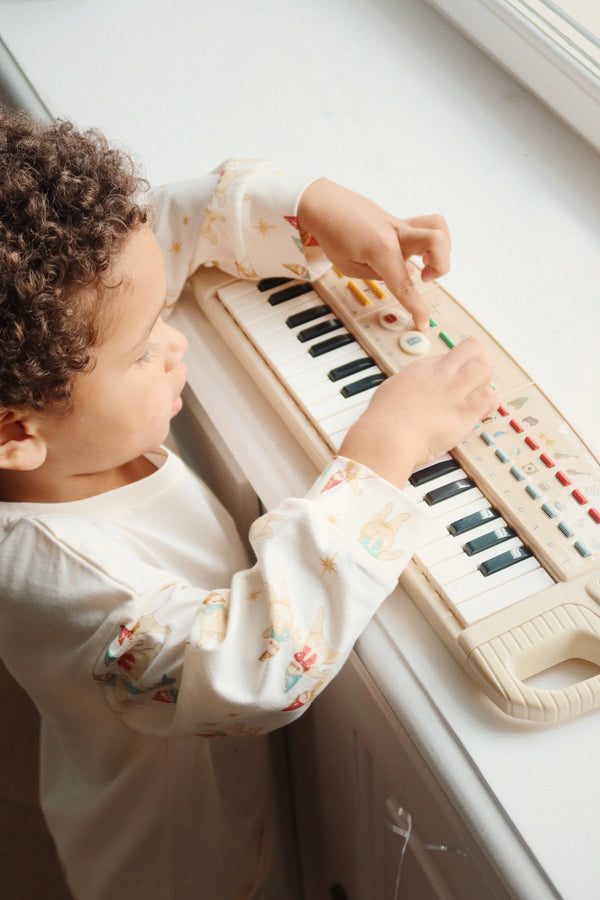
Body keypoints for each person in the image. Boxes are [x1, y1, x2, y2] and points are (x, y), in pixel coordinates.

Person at [0, 109, 494, 899]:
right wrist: (379, 456)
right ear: (15, 432)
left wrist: (313, 207)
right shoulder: (54, 578)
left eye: (163, 318)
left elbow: (163, 228)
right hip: (172, 863)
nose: (175, 344)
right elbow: (252, 668)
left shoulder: (52, 353)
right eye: (142, 350)